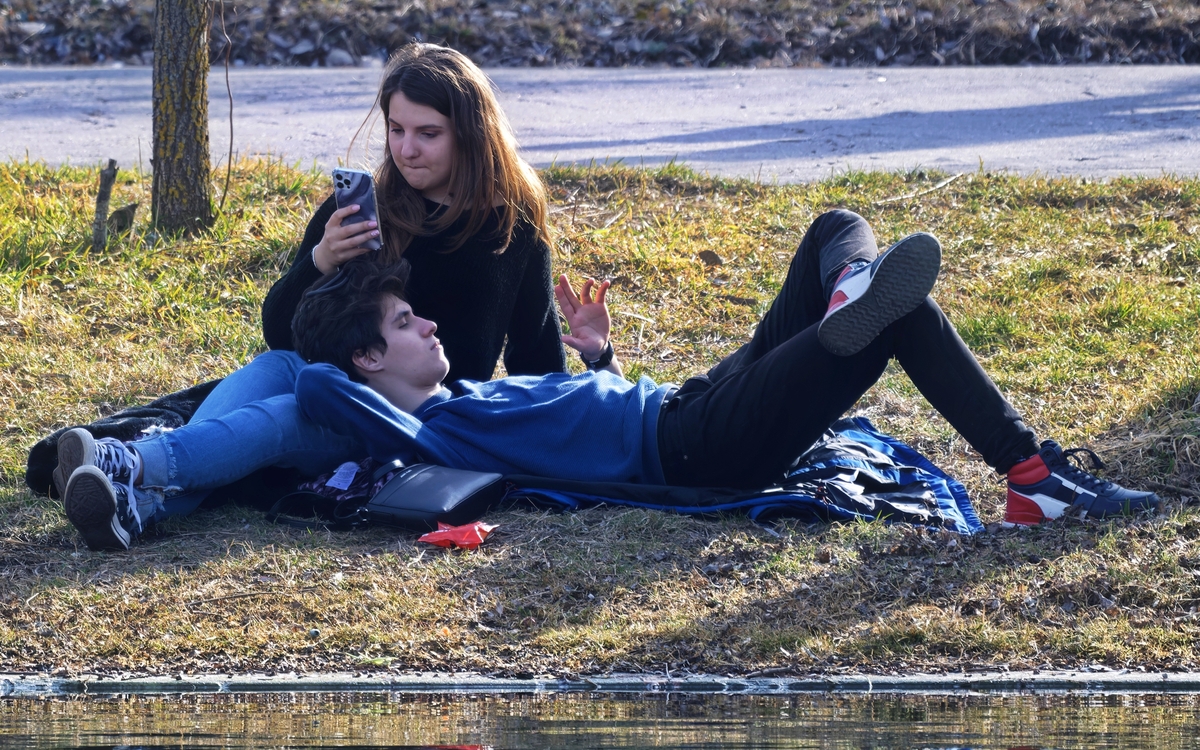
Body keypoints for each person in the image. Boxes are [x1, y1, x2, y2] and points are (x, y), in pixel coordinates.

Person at [56, 210, 1159, 552]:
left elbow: (576, 407)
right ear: (367, 370)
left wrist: (599, 361)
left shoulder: (456, 402)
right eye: (406, 322)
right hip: (694, 447)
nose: (430, 320)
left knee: (836, 231)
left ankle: (843, 297)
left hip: (676, 400)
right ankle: (1034, 477)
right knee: (896, 317)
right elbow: (303, 385)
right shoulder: (423, 429)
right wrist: (321, 287)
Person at [48, 43, 569, 548]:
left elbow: (538, 358)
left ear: (471, 135)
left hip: (409, 412)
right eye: (396, 129)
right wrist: (320, 261)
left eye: (428, 133)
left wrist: (595, 358)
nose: (407, 150)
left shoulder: (512, 223)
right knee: (274, 368)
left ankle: (130, 473)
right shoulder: (367, 208)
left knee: (280, 415)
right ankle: (133, 502)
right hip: (329, 377)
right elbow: (281, 331)